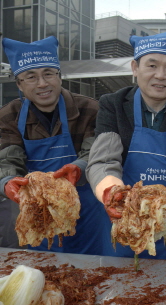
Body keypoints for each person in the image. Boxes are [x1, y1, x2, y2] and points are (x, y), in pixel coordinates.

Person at [86, 30, 166, 259]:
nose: (160, 75)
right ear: (135, 68)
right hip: (123, 220)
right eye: (151, 65)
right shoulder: (114, 104)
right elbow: (103, 160)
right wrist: (113, 194)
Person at [0, 36, 107, 255]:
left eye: (48, 73)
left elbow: (95, 154)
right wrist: (7, 181)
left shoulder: (90, 109)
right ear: (19, 84)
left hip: (88, 217)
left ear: (59, 76)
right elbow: (7, 159)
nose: (42, 83)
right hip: (38, 215)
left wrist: (79, 167)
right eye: (31, 77)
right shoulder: (9, 115)